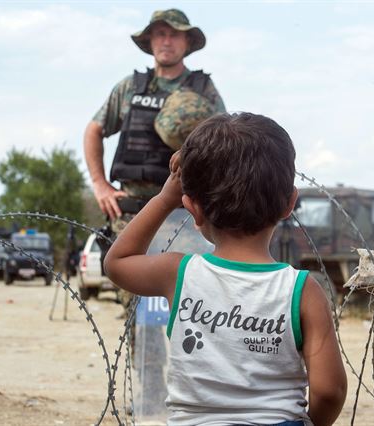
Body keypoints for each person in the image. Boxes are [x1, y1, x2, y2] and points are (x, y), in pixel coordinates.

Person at [104, 113, 347, 425]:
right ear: (290, 204)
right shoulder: (302, 290)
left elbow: (117, 263)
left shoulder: (178, 272)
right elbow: (329, 390)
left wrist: (166, 199)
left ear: (192, 208)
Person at [83, 7, 225, 312]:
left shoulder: (204, 90)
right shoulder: (130, 88)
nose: (167, 40)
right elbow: (94, 129)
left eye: (174, 34)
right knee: (136, 306)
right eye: (160, 33)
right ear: (150, 41)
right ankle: (140, 361)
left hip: (186, 214)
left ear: (187, 42)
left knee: (190, 301)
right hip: (134, 211)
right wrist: (99, 184)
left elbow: (225, 141)